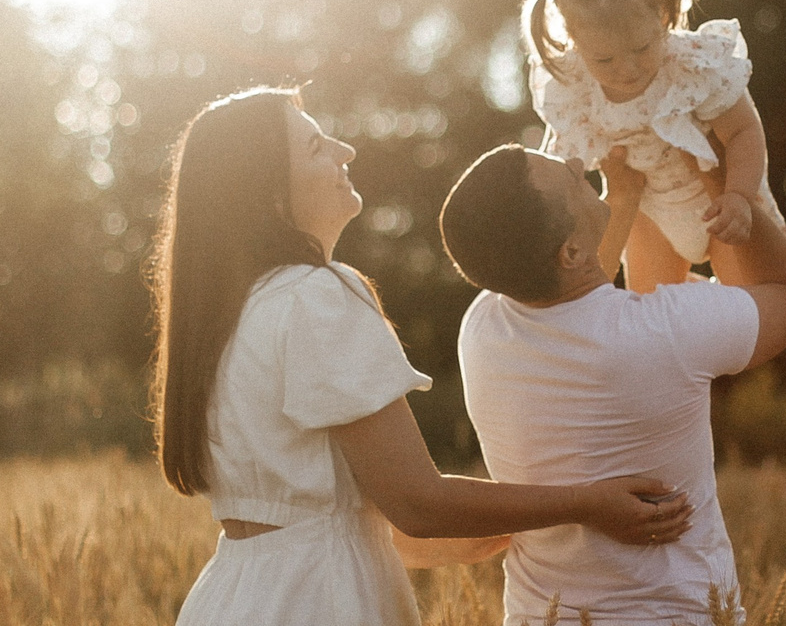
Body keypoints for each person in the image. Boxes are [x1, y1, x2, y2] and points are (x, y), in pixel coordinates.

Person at [153, 88, 694, 625]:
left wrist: (499, 526)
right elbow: (417, 504)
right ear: (271, 195)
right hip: (318, 604)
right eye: (317, 148)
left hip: (229, 599)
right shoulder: (316, 295)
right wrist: (588, 504)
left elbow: (339, 519)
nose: (346, 151)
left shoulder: (229, 315)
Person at [439, 142, 786, 625]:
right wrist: (722, 181)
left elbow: (577, 278)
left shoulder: (482, 327)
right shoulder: (663, 333)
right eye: (566, 175)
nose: (577, 163)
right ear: (570, 251)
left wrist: (621, 196)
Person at [521, 0, 781, 290]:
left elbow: (743, 131)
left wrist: (738, 195)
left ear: (662, 13)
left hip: (718, 197)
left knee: (748, 306)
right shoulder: (574, 89)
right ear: (574, 41)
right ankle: (690, 309)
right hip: (651, 210)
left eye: (641, 49)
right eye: (604, 59)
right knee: (646, 308)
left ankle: (713, 303)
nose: (626, 70)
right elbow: (564, 169)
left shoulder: (692, 66)